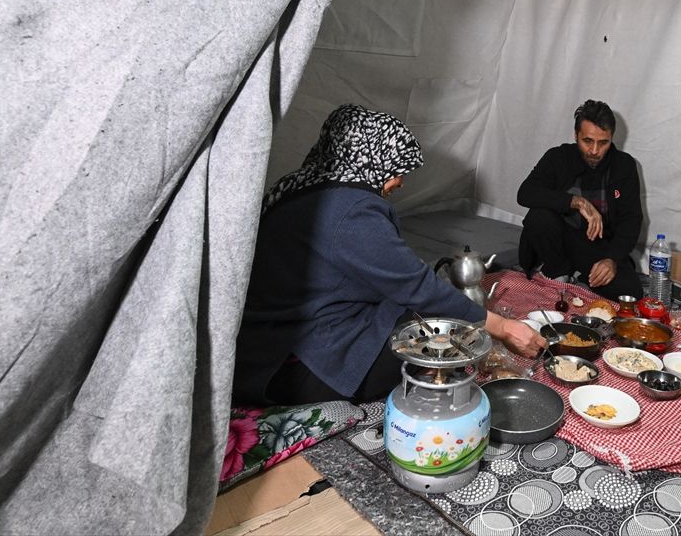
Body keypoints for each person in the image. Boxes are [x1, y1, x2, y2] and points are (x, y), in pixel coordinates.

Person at [233, 104, 544, 406]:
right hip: (296, 360)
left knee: (419, 314)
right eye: (397, 170)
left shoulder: (302, 186)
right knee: (434, 334)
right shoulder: (349, 210)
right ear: (371, 157)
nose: (399, 182)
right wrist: (503, 328)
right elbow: (418, 287)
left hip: (268, 340)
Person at [516, 100, 644, 301]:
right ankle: (558, 274)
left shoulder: (624, 166)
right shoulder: (558, 157)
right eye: (587, 141)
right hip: (556, 244)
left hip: (594, 248)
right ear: (576, 136)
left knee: (630, 291)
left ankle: (577, 278)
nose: (594, 151)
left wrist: (612, 259)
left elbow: (631, 220)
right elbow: (525, 193)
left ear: (611, 138)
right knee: (539, 216)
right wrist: (577, 202)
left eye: (603, 143)